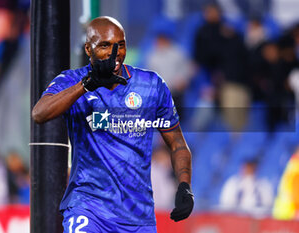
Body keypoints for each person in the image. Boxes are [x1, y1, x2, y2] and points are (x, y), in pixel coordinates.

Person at [32, 16, 193, 232]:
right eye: (105, 45)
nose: (114, 53)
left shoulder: (151, 86)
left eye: (121, 45)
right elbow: (39, 113)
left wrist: (184, 185)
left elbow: (178, 145)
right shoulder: (72, 81)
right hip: (88, 209)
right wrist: (87, 85)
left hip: (137, 217)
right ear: (88, 49)